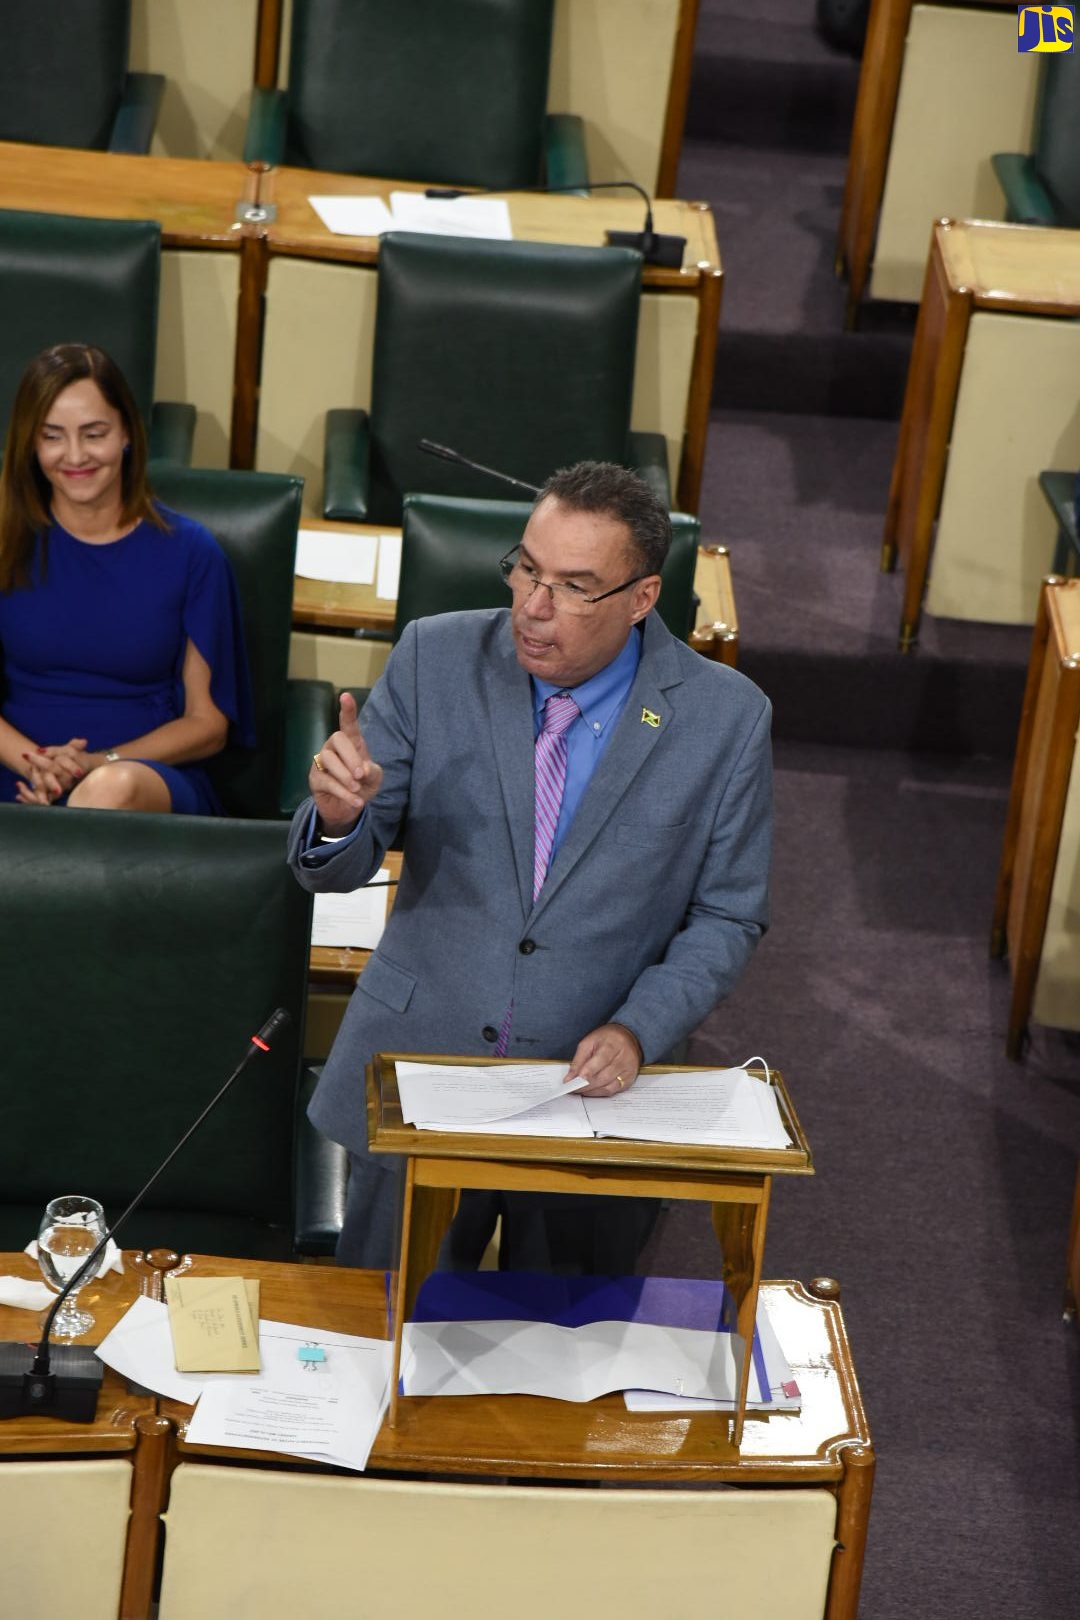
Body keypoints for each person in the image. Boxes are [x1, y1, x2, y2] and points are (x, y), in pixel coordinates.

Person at [288, 460, 773, 1272]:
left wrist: (638, 1028)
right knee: (379, 1341)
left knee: (566, 1370)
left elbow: (728, 916)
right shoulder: (433, 658)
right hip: (422, 1069)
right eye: (526, 570)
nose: (534, 608)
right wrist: (340, 818)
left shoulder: (725, 719)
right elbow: (334, 868)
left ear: (642, 598)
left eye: (574, 587)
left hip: (591, 1092)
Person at [0, 343, 253, 813]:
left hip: (139, 773)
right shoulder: (5, 539)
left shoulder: (192, 552)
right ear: (31, 444)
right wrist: (36, 764)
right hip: (17, 766)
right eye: (52, 436)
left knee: (107, 792)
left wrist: (95, 764)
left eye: (94, 434)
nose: (74, 455)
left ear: (127, 435)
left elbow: (208, 724)